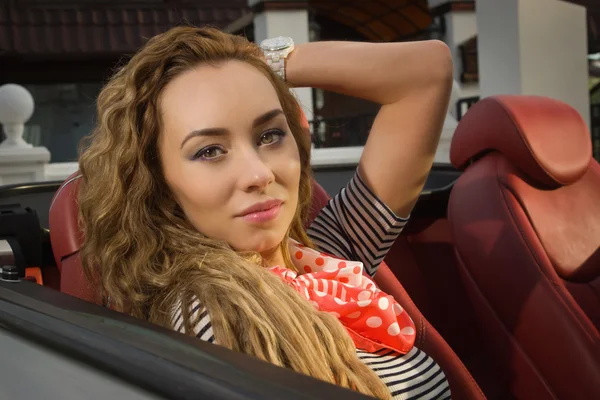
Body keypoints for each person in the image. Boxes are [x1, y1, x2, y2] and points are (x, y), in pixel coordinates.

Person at [78, 26, 453, 399]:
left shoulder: (327, 258)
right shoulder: (215, 315)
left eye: (269, 135)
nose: (259, 174)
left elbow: (425, 72)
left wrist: (254, 63)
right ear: (160, 185)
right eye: (209, 151)